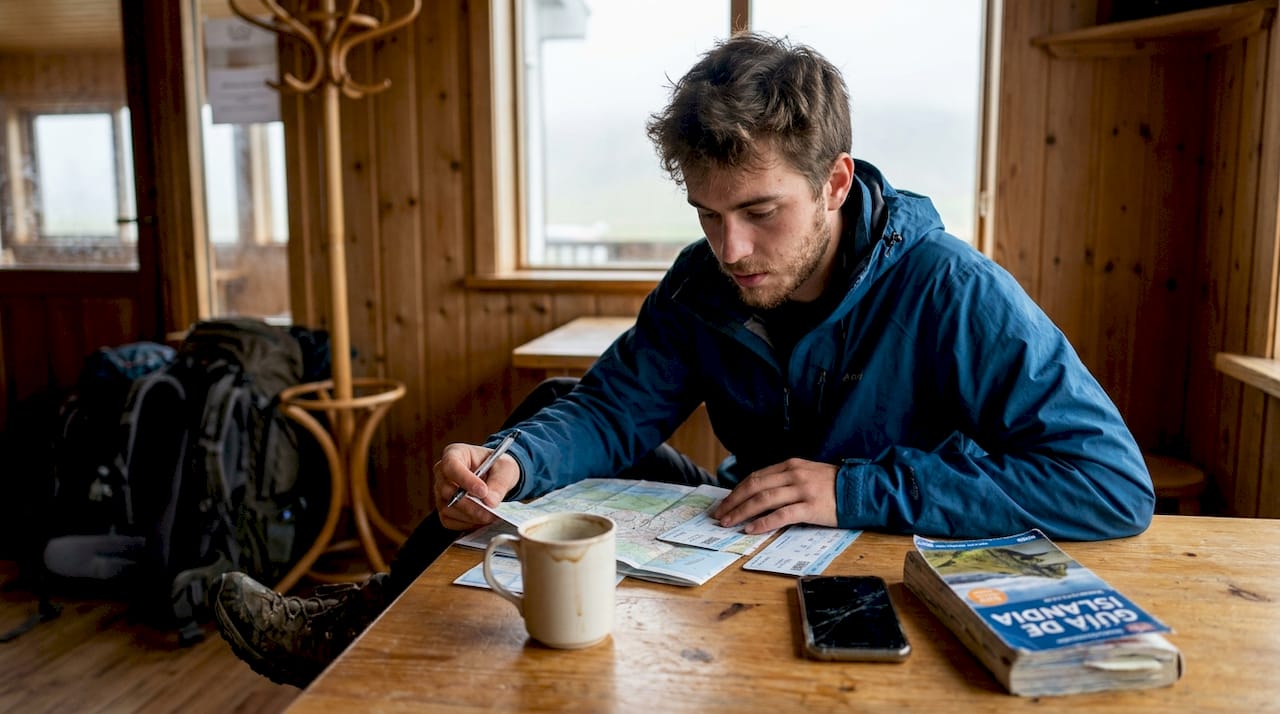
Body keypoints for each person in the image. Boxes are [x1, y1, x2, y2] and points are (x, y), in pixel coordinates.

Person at [213, 32, 1154, 688]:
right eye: (707, 215)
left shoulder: (954, 289)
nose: (731, 249)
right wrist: (516, 461)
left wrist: (856, 489)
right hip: (750, 553)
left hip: (892, 584)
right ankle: (360, 623)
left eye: (758, 213)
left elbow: (1110, 485)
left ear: (834, 182)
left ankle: (357, 624)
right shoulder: (703, 280)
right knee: (550, 411)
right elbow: (617, 407)